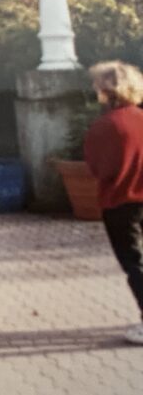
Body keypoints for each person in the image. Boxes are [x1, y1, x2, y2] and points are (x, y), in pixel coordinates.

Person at [84, 61, 143, 346]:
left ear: (107, 90)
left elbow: (98, 168)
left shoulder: (105, 126)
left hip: (121, 201)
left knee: (134, 263)